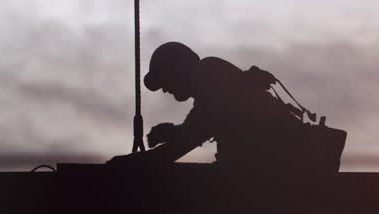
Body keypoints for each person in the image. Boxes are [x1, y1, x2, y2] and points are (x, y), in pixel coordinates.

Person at [108, 42, 331, 169]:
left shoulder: (210, 75)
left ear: (178, 69)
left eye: (165, 80)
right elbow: (201, 126)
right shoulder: (212, 77)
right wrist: (174, 133)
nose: (165, 89)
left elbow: (192, 137)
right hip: (273, 171)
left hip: (275, 175)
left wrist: (129, 164)